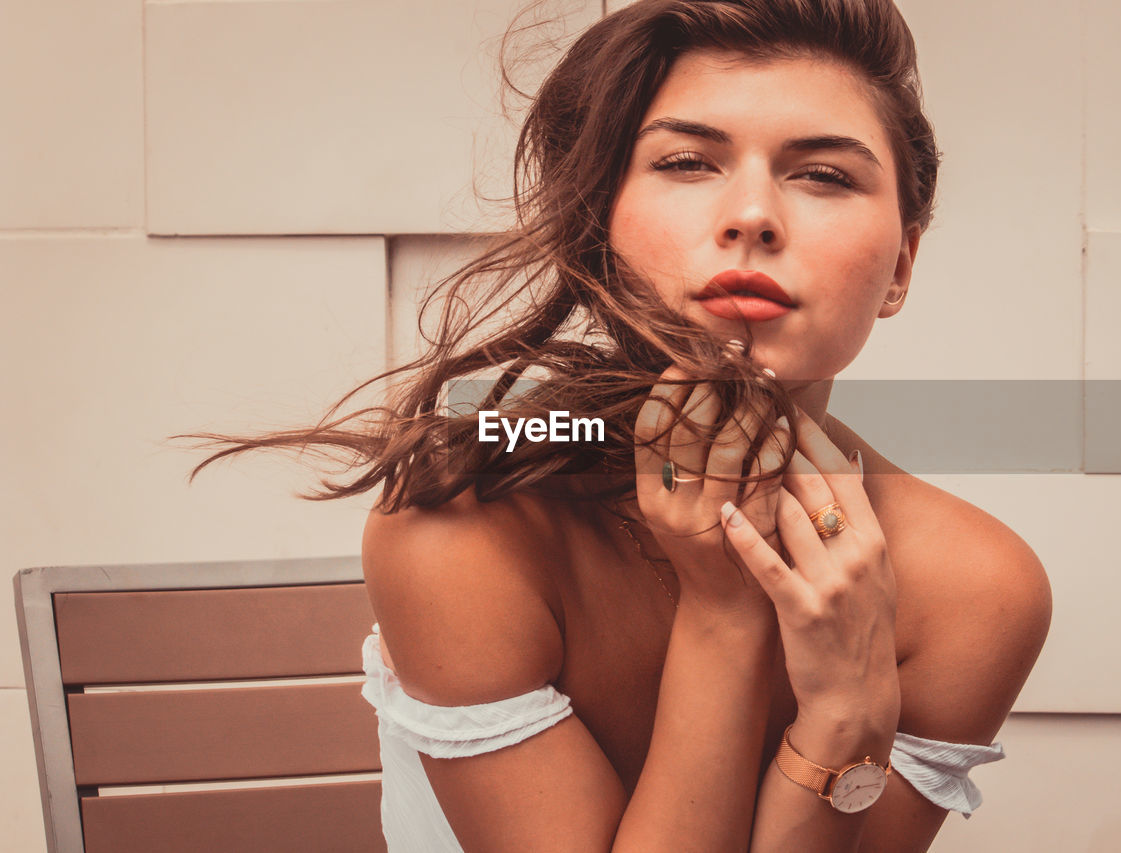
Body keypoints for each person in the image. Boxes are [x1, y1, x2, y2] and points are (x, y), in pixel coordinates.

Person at [190, 1, 1052, 849]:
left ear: (900, 265)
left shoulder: (974, 594)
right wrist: (724, 608)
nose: (751, 216)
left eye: (823, 174)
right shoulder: (462, 526)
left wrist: (846, 718)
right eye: (686, 161)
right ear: (597, 225)